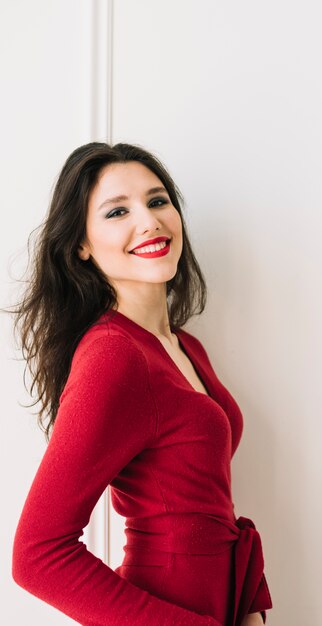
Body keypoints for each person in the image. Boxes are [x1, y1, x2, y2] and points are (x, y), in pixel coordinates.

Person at [10, 142, 273, 625]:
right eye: (117, 211)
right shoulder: (114, 356)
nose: (149, 221)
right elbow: (37, 556)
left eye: (157, 201)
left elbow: (209, 508)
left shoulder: (184, 345)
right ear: (81, 245)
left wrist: (250, 607)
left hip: (226, 605)